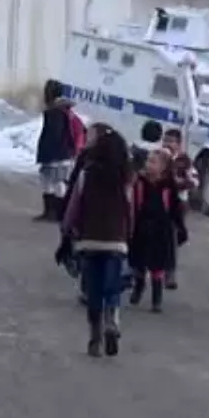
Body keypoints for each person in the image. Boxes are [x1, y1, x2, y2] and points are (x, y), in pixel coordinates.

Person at [62, 127, 133, 357]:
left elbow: (74, 207)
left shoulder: (86, 175)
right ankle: (111, 320)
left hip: (89, 241)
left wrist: (67, 231)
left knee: (93, 291)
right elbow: (130, 211)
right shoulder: (125, 178)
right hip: (116, 241)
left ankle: (94, 337)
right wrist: (128, 236)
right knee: (112, 287)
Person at [127, 148, 187, 313]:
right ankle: (138, 287)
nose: (149, 165)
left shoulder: (168, 185)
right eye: (148, 161)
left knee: (157, 265)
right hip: (141, 227)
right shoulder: (139, 181)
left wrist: (180, 227)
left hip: (161, 230)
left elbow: (176, 209)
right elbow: (132, 205)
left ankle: (156, 298)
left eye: (153, 162)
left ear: (164, 167)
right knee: (139, 263)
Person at [35, 80, 86, 222]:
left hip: (56, 154)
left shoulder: (55, 111)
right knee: (54, 182)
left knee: (54, 182)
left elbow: (54, 134)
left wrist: (46, 152)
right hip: (64, 153)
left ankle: (54, 213)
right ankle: (55, 213)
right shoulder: (64, 109)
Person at [161, 128, 199, 290]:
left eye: (171, 141)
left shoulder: (184, 161)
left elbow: (195, 181)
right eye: (165, 140)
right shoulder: (158, 156)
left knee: (173, 238)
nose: (167, 144)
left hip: (178, 204)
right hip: (158, 202)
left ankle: (170, 274)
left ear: (179, 144)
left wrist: (178, 184)